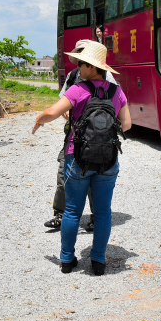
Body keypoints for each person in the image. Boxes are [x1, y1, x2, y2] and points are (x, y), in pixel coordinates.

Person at [32, 41, 131, 276]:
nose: (76, 66)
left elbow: (52, 113)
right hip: (108, 159)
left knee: (73, 211)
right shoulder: (116, 91)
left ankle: (67, 260)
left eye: (80, 63)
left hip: (76, 157)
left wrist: (39, 120)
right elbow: (126, 124)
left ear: (90, 67)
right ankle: (98, 261)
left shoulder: (78, 90)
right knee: (104, 211)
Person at [43, 40, 117, 232]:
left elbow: (115, 104)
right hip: (74, 136)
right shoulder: (74, 75)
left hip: (98, 139)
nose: (78, 63)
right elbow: (63, 102)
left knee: (94, 175)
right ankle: (60, 214)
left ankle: (95, 216)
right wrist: (66, 112)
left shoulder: (107, 77)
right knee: (63, 174)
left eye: (81, 59)